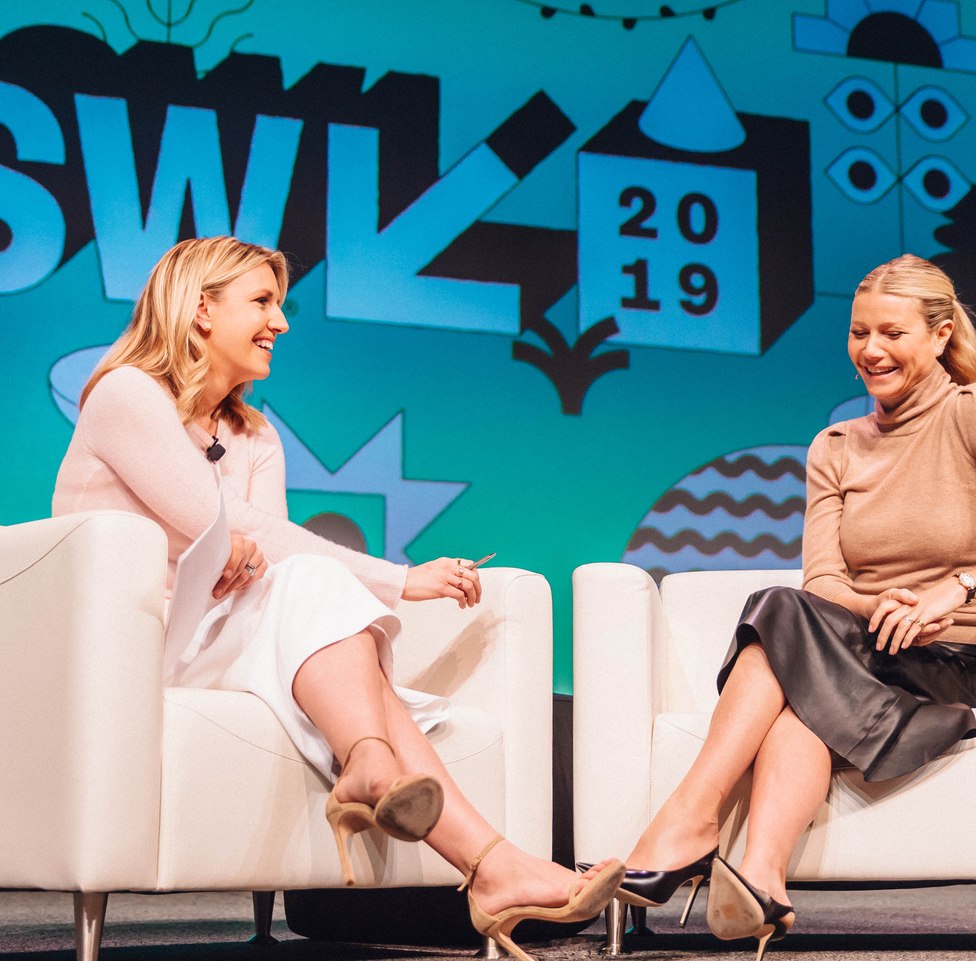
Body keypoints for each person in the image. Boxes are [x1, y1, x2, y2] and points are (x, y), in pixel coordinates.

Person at [52, 237, 621, 957]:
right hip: (136, 647)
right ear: (200, 310)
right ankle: (466, 841)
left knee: (331, 627)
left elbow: (258, 550)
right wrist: (401, 580)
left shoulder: (252, 433)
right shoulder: (126, 392)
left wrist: (241, 555)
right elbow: (230, 525)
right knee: (322, 595)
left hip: (216, 637)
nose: (280, 322)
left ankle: (467, 844)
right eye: (261, 302)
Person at [607, 255, 976, 959]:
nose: (871, 349)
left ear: (941, 334)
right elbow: (824, 581)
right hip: (862, 649)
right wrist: (873, 600)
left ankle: (688, 817)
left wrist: (958, 587)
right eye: (859, 332)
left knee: (776, 613)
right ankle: (762, 879)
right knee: (791, 648)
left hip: (952, 661)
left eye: (891, 332)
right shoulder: (833, 447)